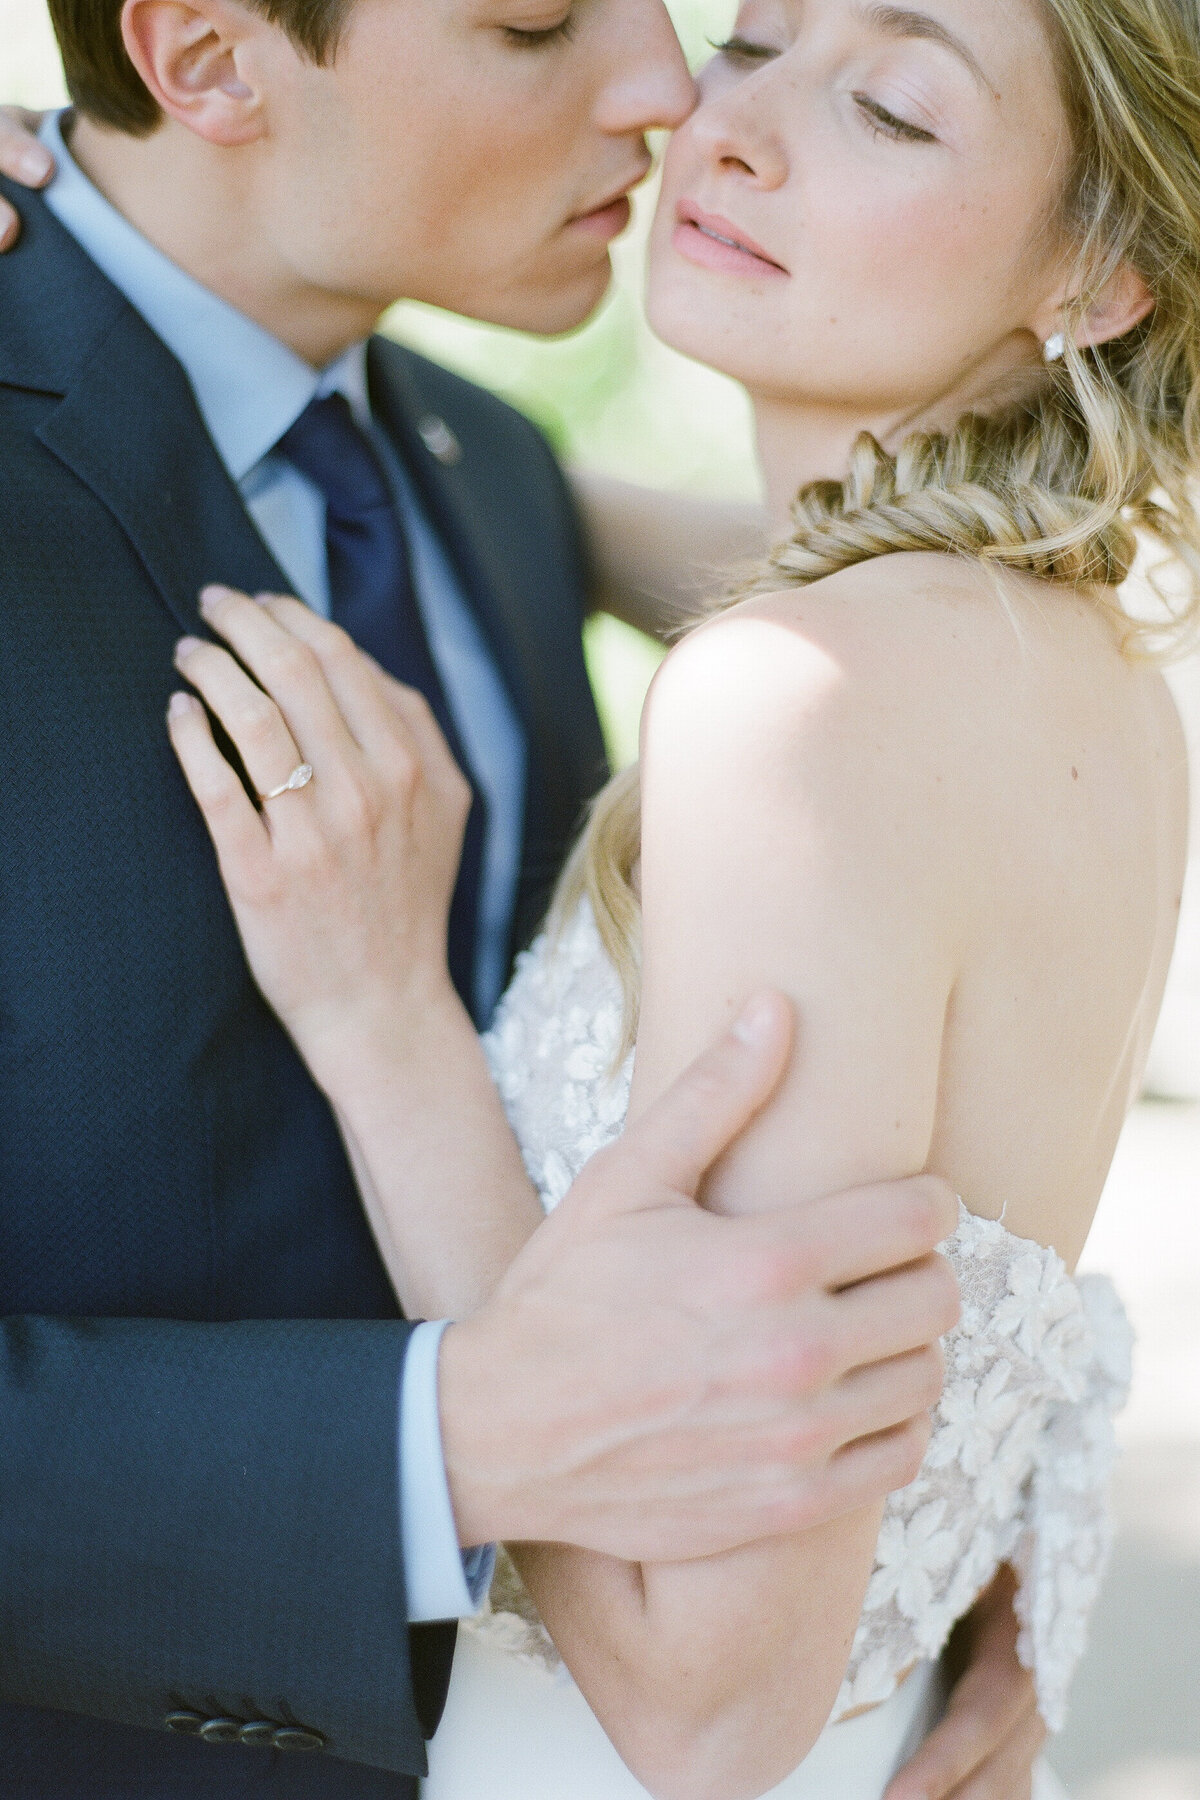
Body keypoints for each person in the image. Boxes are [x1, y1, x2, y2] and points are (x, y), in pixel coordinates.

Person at [131, 0, 1194, 1794]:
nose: (732, 127)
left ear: (1097, 270)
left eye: (891, 109)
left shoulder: (796, 708)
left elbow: (699, 1699)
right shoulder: (1077, 670)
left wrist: (385, 1020)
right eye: (757, 36)